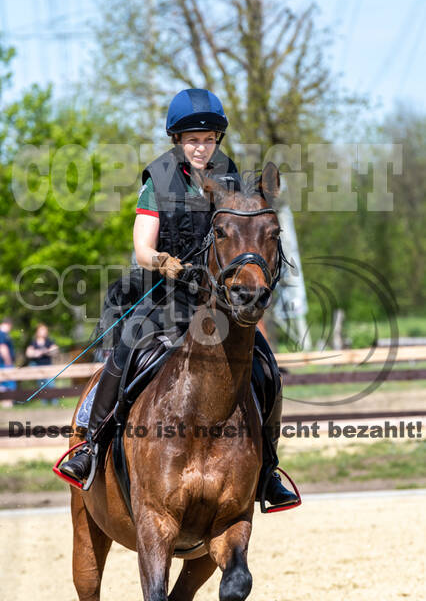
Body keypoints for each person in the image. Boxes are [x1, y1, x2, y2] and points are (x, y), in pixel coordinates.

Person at [60, 88, 298, 506]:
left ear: (217, 139)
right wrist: (162, 261)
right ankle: (90, 447)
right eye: (192, 140)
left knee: (266, 366)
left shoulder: (230, 178)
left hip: (216, 303)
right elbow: (142, 248)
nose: (201, 147)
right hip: (166, 295)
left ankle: (268, 469)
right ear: (177, 140)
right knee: (128, 348)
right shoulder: (159, 179)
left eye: (208, 139)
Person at [26, 324, 59, 404]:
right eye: (42, 330)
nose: (44, 332)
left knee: (51, 384)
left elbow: (55, 350)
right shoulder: (34, 342)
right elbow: (28, 353)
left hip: (48, 366)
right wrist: (36, 353)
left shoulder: (49, 342)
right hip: (38, 367)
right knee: (41, 385)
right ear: (37, 332)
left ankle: (55, 402)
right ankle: (44, 403)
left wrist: (46, 351)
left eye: (45, 330)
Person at [0, 317, 17, 404]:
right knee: (8, 384)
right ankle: (8, 403)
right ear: (9, 325)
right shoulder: (2, 334)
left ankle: (6, 403)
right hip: (4, 363)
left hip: (3, 363)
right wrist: (8, 362)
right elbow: (3, 347)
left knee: (3, 384)